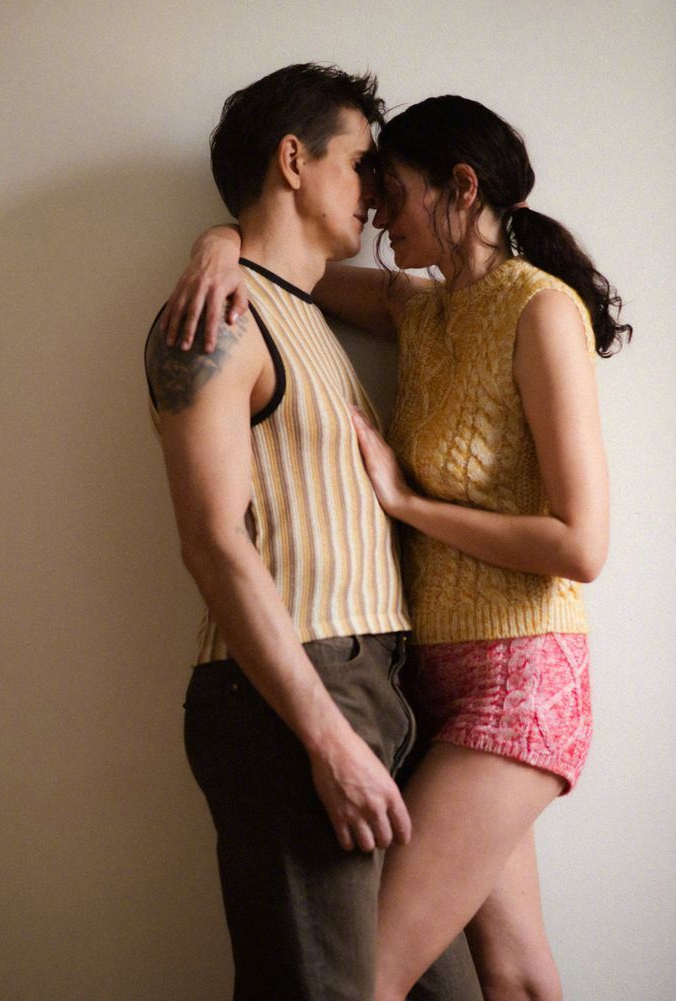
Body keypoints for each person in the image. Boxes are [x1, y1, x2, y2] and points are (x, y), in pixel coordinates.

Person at [165, 94, 631, 1000]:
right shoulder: (420, 311)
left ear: (462, 188)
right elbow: (278, 269)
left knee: (366, 973)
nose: (377, 211)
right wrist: (213, 245)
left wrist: (409, 504)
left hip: (519, 676)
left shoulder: (541, 309)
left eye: (396, 190)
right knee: (513, 971)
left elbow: (582, 544)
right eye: (367, 185)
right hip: (430, 681)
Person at [145, 67, 483, 1001]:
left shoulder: (301, 305)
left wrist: (218, 238)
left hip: (379, 685)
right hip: (291, 696)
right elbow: (212, 540)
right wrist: (327, 738)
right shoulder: (213, 319)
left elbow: (454, 293)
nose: (377, 189)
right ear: (293, 160)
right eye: (361, 162)